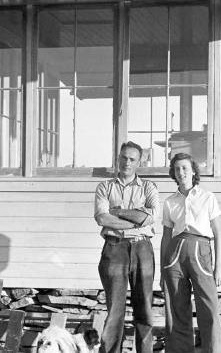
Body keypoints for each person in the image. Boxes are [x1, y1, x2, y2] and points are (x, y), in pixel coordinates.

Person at [94, 141, 160, 353]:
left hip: (142, 250)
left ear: (139, 162)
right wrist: (136, 219)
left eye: (132, 159)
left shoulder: (149, 187)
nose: (127, 162)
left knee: (145, 308)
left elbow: (151, 217)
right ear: (118, 158)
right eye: (123, 158)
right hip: (114, 249)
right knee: (115, 310)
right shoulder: (105, 186)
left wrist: (118, 212)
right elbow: (102, 217)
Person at [161, 152, 221, 353]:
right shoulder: (170, 202)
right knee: (177, 308)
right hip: (175, 254)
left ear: (193, 170)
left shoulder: (207, 197)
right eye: (177, 169)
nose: (181, 173)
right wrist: (163, 269)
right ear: (173, 173)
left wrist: (218, 268)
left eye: (185, 168)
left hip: (201, 250)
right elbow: (166, 237)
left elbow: (217, 232)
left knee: (209, 307)